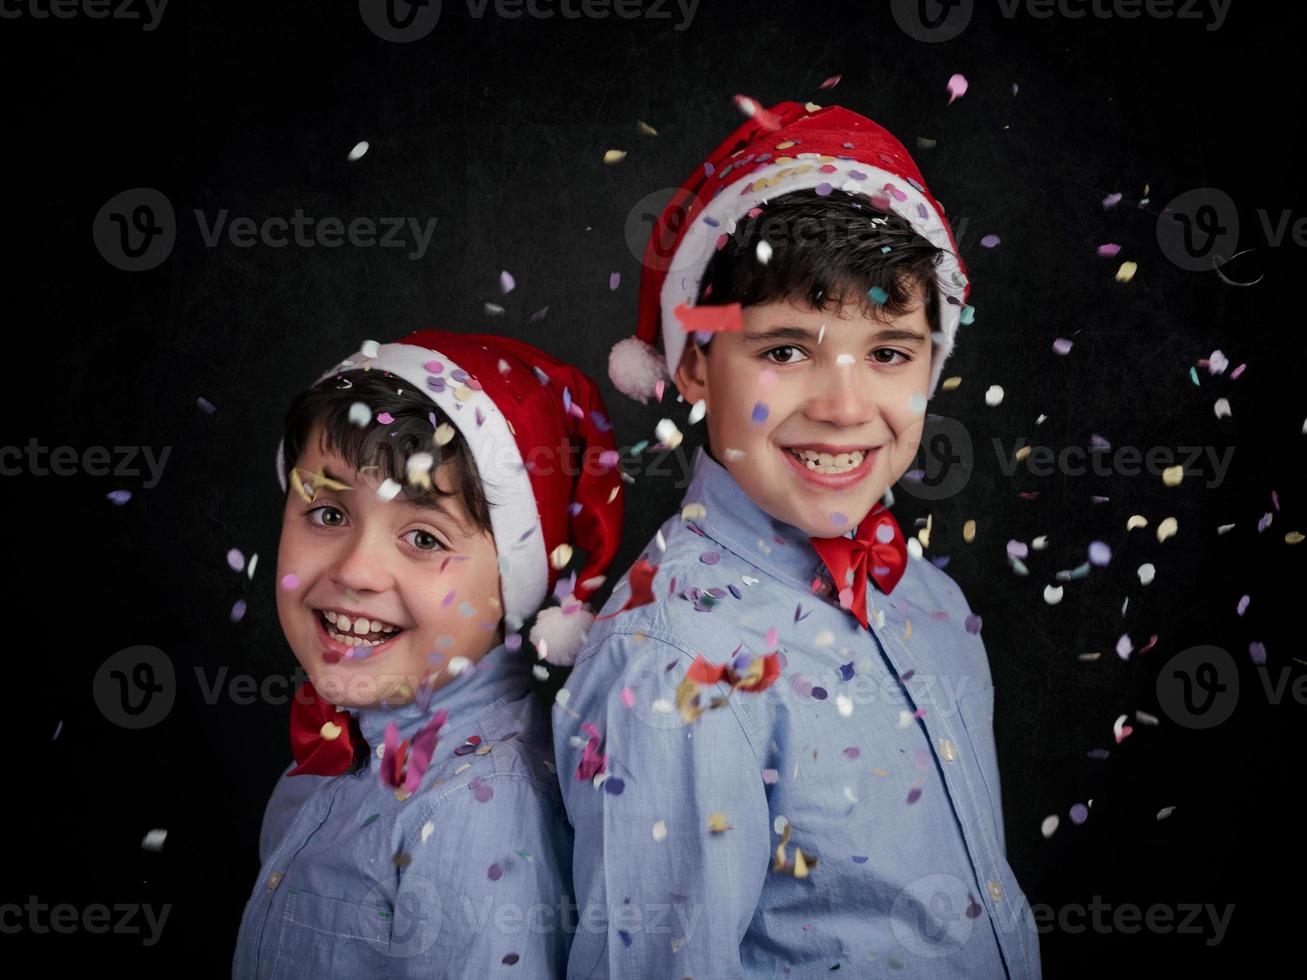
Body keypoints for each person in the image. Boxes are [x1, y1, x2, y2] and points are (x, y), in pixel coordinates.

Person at [555, 101, 1042, 977]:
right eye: (785, 352)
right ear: (697, 362)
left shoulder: (928, 600)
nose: (845, 407)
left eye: (888, 353)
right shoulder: (677, 665)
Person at [233, 329, 625, 978]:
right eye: (328, 514)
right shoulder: (348, 740)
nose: (356, 571)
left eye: (421, 535)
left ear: (511, 580)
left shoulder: (472, 817)